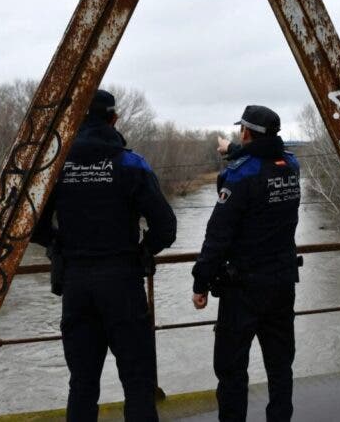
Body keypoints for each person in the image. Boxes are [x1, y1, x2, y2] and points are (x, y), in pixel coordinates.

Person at [31, 89, 176, 422]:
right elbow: (166, 227)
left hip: (77, 285)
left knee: (81, 384)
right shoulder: (130, 163)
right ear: (114, 119)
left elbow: (32, 225)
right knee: (138, 383)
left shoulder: (56, 166)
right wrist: (142, 251)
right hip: (123, 282)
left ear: (78, 119)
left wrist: (58, 245)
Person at [191, 105, 301, 421]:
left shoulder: (238, 176)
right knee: (281, 366)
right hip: (282, 282)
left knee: (231, 369)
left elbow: (217, 236)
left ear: (247, 132)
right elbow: (267, 159)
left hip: (244, 288)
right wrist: (235, 150)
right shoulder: (291, 166)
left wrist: (201, 281)